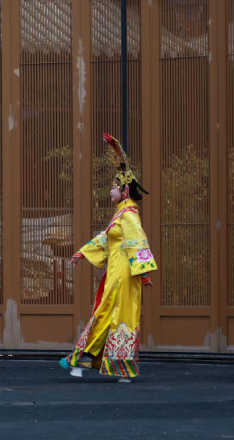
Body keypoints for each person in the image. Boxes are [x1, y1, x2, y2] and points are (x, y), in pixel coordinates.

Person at [61, 134, 156, 382]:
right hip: (116, 271)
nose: (110, 191)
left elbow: (138, 243)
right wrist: (84, 252)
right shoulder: (121, 214)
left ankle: (94, 359)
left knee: (113, 315)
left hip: (124, 274)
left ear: (125, 190)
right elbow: (107, 238)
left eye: (113, 187)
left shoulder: (129, 215)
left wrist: (144, 273)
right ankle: (88, 358)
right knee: (107, 314)